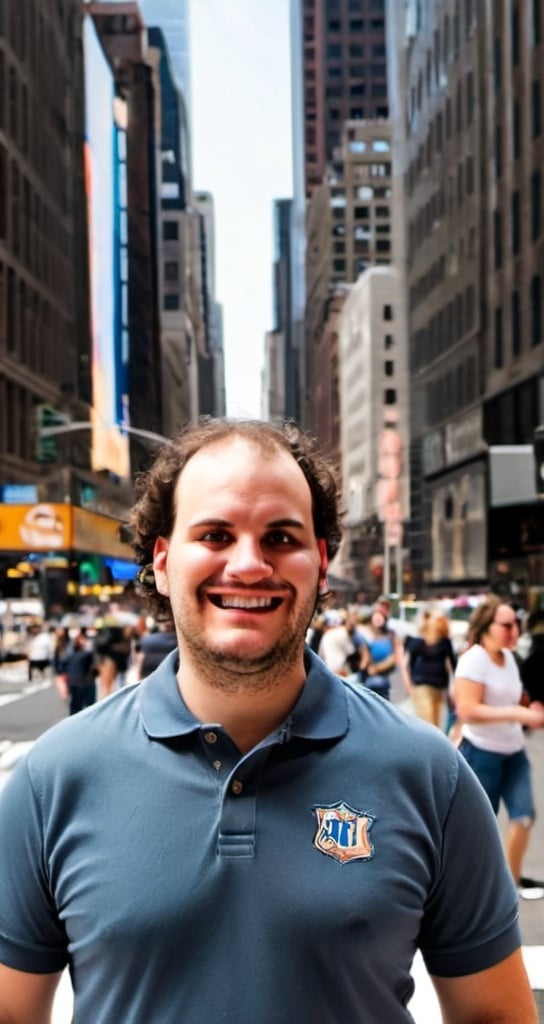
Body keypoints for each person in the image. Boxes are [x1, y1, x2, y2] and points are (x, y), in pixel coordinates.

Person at [0, 417, 538, 1023]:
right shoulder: (54, 778)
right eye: (215, 534)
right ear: (163, 558)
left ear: (322, 562)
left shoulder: (431, 775)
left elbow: (494, 1015)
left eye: (281, 538)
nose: (250, 565)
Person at [454, 594, 544, 901]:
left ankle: (511, 882)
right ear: (486, 626)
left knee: (524, 816)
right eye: (506, 625)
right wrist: (520, 714)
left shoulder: (510, 659)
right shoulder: (473, 659)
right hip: (481, 752)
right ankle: (473, 889)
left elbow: (511, 697)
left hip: (513, 750)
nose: (514, 631)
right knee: (481, 827)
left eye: (516, 624)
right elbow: (467, 709)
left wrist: (529, 705)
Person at [404, 607, 457, 727]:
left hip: (440, 685)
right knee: (428, 722)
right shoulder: (417, 641)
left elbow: (453, 665)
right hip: (422, 685)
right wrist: (410, 685)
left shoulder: (445, 642)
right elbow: (409, 664)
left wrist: (455, 687)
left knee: (438, 722)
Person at [57, 628, 97, 716]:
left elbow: (61, 669)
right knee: (86, 707)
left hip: (74, 682)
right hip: (83, 682)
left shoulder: (68, 655)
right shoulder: (86, 655)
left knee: (75, 707)